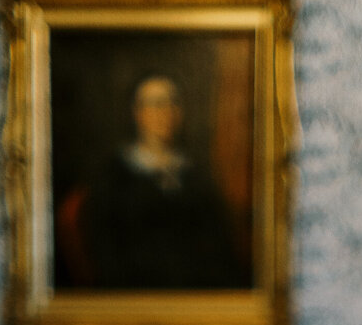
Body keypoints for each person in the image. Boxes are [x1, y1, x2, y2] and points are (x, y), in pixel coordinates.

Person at [80, 75, 247, 291]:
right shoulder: (114, 174)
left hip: (198, 294)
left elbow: (219, 245)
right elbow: (106, 250)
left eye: (173, 102)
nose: (166, 112)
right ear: (137, 113)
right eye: (157, 104)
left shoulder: (193, 173)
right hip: (137, 293)